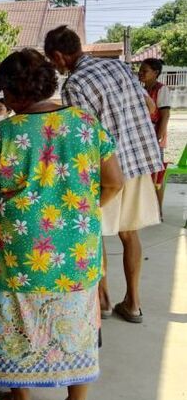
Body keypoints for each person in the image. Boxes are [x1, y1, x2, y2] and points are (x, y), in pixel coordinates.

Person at [0, 49, 124, 400]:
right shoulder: (86, 124)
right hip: (77, 249)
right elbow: (115, 182)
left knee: (16, 317)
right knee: (79, 319)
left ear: (12, 92)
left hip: (19, 251)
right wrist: (83, 210)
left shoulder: (3, 134)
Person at [45, 25, 163, 323]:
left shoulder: (74, 84)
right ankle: (133, 303)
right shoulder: (119, 67)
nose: (54, 67)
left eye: (52, 61)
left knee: (93, 233)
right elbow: (150, 105)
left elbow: (83, 134)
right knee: (129, 233)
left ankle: (104, 301)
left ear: (59, 56)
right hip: (137, 160)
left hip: (105, 169)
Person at [138, 58, 171, 209]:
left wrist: (158, 137)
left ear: (155, 73)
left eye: (145, 71)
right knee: (144, 173)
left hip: (154, 134)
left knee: (156, 173)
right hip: (142, 134)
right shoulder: (141, 89)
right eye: (140, 70)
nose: (140, 73)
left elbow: (165, 115)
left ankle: (159, 210)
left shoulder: (161, 90)